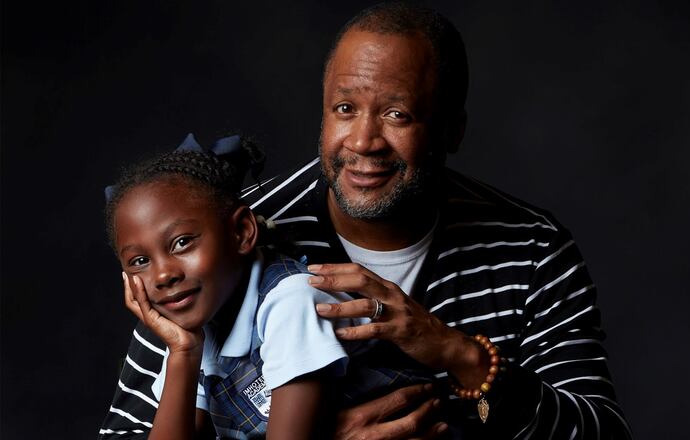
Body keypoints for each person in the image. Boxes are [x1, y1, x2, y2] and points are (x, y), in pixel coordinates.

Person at [100, 3, 632, 439]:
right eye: (345, 109)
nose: (363, 142)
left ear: (451, 131)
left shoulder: (532, 249)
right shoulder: (226, 240)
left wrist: (457, 353)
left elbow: (601, 434)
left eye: (398, 114)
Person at [103, 135, 428, 439]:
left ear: (242, 232)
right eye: (139, 261)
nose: (162, 275)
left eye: (182, 242)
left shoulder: (292, 301)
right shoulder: (201, 330)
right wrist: (182, 352)